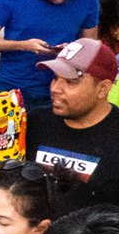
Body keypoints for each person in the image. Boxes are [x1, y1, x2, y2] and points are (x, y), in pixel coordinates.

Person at [25, 38, 119, 213]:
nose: (55, 88)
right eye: (55, 78)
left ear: (103, 88)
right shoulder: (34, 122)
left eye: (70, 81)